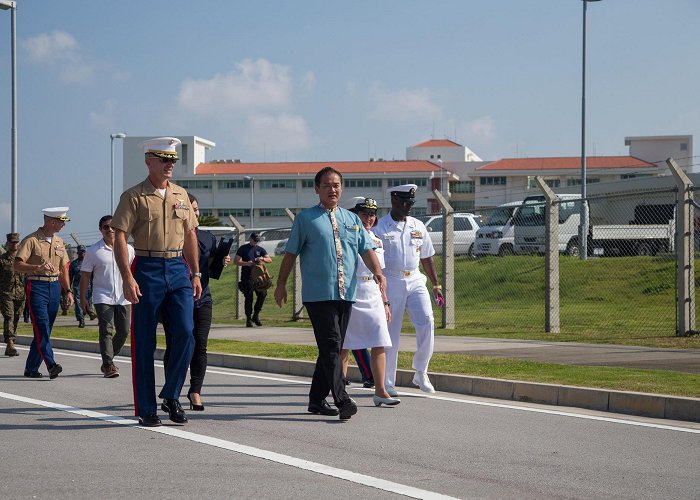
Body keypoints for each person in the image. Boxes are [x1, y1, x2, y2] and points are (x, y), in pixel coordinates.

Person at [274, 166, 386, 421]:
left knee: (331, 347)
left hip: (346, 292)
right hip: (318, 294)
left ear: (341, 188)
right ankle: (342, 398)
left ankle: (316, 399)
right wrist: (281, 285)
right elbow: (290, 253)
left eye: (336, 185)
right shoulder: (306, 219)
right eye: (326, 185)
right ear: (317, 189)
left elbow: (365, 249)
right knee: (332, 344)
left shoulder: (352, 219)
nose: (332, 189)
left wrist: (378, 272)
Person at [112, 137, 201, 427]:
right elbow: (120, 236)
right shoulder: (133, 196)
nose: (169, 165)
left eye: (172, 160)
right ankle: (146, 407)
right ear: (149, 161)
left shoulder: (181, 194)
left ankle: (172, 395)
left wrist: (195, 272)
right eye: (164, 159)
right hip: (147, 267)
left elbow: (190, 236)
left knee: (187, 333)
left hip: (178, 268)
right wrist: (127, 277)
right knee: (144, 341)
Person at [374, 184, 443, 395]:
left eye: (412, 203)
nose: (409, 206)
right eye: (406, 202)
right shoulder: (380, 227)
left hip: (414, 278)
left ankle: (421, 371)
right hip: (391, 279)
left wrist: (435, 283)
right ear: (394, 201)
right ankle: (388, 381)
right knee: (391, 330)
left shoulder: (417, 225)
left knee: (426, 321)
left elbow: (427, 256)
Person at [163, 194, 230, 411]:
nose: (196, 213)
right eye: (191, 209)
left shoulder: (208, 237)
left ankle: (195, 391)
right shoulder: (170, 237)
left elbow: (208, 270)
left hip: (203, 297)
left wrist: (220, 261)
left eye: (198, 209)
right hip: (175, 298)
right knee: (176, 345)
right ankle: (171, 392)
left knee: (200, 345)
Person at [341, 197, 400, 407]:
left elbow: (380, 273)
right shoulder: (345, 237)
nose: (368, 218)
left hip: (373, 293)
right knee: (344, 345)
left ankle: (380, 391)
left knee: (379, 341)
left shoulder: (376, 239)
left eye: (372, 214)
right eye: (364, 214)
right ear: (354, 215)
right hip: (352, 291)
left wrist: (385, 303)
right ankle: (340, 391)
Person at [14, 207, 74, 379]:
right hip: (36, 287)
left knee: (44, 331)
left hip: (54, 288)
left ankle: (31, 368)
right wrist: (37, 267)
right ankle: (51, 364)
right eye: (62, 221)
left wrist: (68, 291)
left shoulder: (59, 242)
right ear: (52, 221)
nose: (64, 224)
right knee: (42, 327)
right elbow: (17, 265)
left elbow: (64, 269)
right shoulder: (31, 240)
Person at [79, 215, 134, 378]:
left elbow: (133, 273)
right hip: (102, 297)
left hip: (124, 297)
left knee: (124, 331)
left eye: (112, 226)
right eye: (105, 227)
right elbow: (85, 277)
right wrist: (83, 298)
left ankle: (108, 359)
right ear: (100, 230)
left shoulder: (129, 249)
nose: (110, 229)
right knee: (106, 330)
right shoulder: (93, 250)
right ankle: (109, 365)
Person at [234, 232, 272, 327]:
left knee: (263, 294)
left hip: (259, 277)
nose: (255, 242)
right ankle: (248, 318)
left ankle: (256, 315)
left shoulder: (260, 249)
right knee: (249, 297)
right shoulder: (243, 248)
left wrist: (262, 259)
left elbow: (269, 259)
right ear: (250, 239)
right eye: (254, 240)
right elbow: (236, 261)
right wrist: (247, 263)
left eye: (257, 241)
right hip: (247, 276)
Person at [1, 232, 24, 356]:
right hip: (6, 293)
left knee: (16, 317)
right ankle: (10, 343)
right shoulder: (2, 259)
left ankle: (11, 344)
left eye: (16, 242)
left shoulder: (22, 259)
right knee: (8, 316)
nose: (14, 244)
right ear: (7, 244)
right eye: (12, 242)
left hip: (20, 294)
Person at [69, 244, 96, 327]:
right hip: (77, 286)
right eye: (81, 252)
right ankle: (81, 320)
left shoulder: (90, 263)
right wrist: (69, 289)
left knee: (88, 303)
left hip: (88, 286)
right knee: (78, 303)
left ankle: (85, 314)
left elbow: (94, 275)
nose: (82, 254)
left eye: (84, 252)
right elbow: (70, 276)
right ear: (78, 253)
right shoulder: (74, 264)